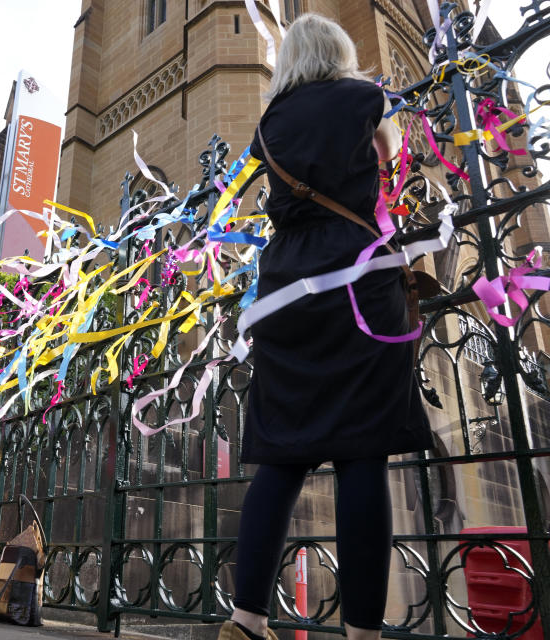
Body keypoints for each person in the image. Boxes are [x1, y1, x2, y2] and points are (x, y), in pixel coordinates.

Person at [218, 14, 431, 640]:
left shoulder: (270, 122)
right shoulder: (364, 97)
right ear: (339, 53)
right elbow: (389, 157)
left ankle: (247, 619)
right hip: (358, 279)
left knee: (280, 455)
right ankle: (363, 629)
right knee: (361, 455)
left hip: (286, 284)